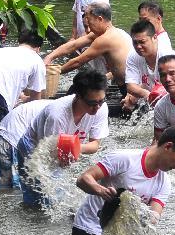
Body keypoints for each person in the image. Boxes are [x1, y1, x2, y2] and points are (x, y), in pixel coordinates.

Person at [17, 69, 109, 206]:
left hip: (63, 147)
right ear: (78, 96)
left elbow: (94, 145)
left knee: (55, 196)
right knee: (38, 196)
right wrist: (70, 150)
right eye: (91, 103)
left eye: (101, 101)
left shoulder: (101, 108)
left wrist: (75, 146)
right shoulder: (57, 115)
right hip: (34, 146)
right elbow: (49, 154)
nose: (97, 107)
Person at [43, 4, 132, 85]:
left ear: (100, 19)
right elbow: (73, 45)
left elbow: (77, 62)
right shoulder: (114, 32)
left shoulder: (106, 39)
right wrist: (50, 57)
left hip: (130, 86)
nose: (88, 26)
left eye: (89, 20)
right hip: (124, 82)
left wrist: (52, 73)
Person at [0, 99, 50, 190]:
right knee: (17, 191)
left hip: (1, 137)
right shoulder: (58, 113)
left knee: (2, 189)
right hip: (14, 141)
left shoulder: (51, 105)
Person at [121, 19, 170, 112]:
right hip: (150, 95)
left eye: (142, 42)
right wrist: (146, 95)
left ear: (154, 38)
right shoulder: (133, 55)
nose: (138, 46)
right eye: (135, 43)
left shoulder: (166, 56)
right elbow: (130, 86)